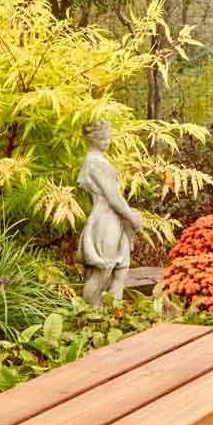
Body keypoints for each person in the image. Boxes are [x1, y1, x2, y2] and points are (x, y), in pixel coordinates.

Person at [76, 120, 142, 305]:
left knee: (121, 269)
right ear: (92, 139)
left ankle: (113, 312)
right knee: (103, 270)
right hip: (106, 221)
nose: (106, 141)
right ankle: (90, 314)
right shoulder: (96, 163)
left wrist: (127, 216)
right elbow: (113, 197)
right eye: (101, 138)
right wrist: (132, 217)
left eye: (107, 137)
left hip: (114, 220)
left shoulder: (98, 161)